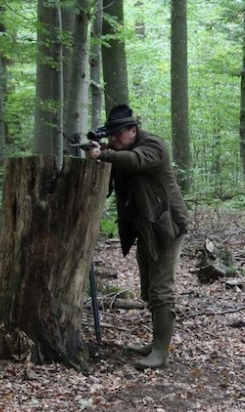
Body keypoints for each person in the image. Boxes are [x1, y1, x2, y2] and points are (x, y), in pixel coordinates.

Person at [86, 104, 189, 369]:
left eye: (118, 134)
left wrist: (103, 154)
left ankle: (160, 353)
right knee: (148, 289)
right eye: (111, 135)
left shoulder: (153, 145)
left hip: (167, 226)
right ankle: (156, 343)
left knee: (161, 289)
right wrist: (98, 156)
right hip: (147, 227)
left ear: (133, 130)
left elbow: (136, 161)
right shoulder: (121, 150)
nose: (114, 139)